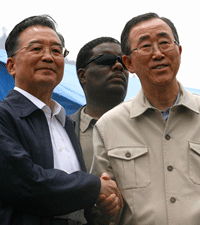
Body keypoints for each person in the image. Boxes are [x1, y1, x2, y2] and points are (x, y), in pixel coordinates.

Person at [0, 15, 122, 225]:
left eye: (56, 51)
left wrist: (100, 201)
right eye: (36, 49)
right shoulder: (4, 116)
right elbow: (25, 183)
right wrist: (94, 187)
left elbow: (68, 198)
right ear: (11, 65)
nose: (48, 57)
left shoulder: (64, 122)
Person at [91, 12, 200, 224]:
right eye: (146, 46)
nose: (158, 53)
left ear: (178, 51)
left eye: (164, 43)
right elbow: (103, 210)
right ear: (128, 63)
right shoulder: (109, 125)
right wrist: (105, 204)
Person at [69, 37, 129, 173]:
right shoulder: (60, 131)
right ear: (82, 75)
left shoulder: (146, 126)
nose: (118, 66)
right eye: (106, 60)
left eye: (124, 62)